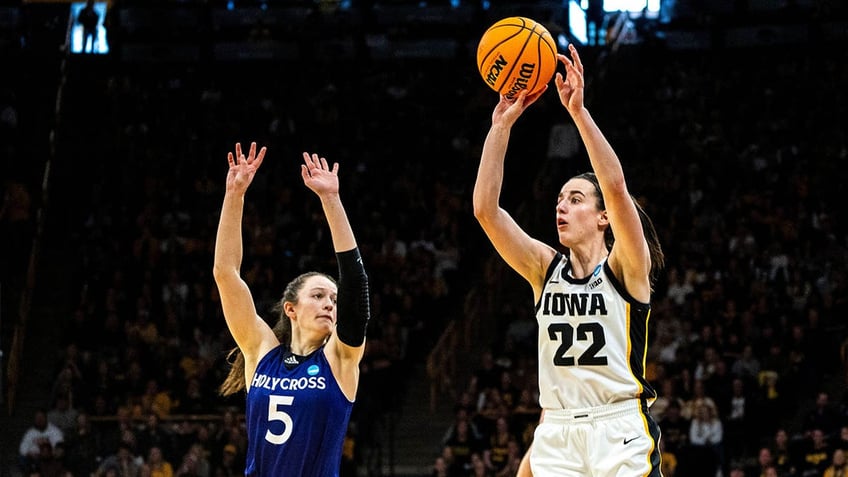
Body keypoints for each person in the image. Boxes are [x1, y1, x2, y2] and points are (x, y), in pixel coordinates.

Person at [472, 43, 665, 476]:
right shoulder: (545, 269)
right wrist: (500, 127)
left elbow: (615, 187)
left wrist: (578, 112)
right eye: (559, 199)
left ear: (602, 219)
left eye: (574, 199)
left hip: (618, 427)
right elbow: (486, 210)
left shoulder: (626, 268)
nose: (560, 207)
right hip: (557, 429)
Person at [213, 143, 370, 476]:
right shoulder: (261, 353)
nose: (330, 303)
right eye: (318, 295)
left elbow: (355, 283)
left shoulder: (340, 360)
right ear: (291, 309)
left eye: (333, 299)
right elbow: (225, 275)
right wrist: (234, 195)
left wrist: (331, 199)